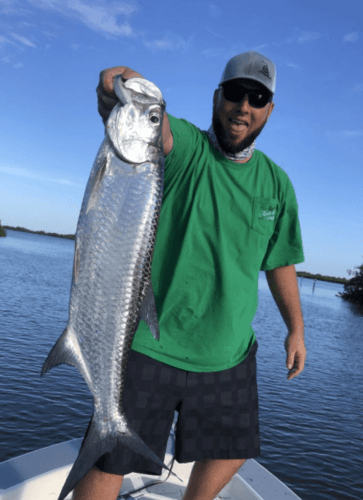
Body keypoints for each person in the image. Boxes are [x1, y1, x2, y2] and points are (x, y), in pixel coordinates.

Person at [73, 51, 307, 500]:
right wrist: (125, 89)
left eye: (257, 98)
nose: (245, 106)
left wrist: (296, 328)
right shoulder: (186, 147)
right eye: (236, 93)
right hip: (149, 343)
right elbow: (149, 124)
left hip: (229, 353)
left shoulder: (277, 184)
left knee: (234, 448)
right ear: (218, 97)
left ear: (269, 110)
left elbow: (280, 260)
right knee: (110, 458)